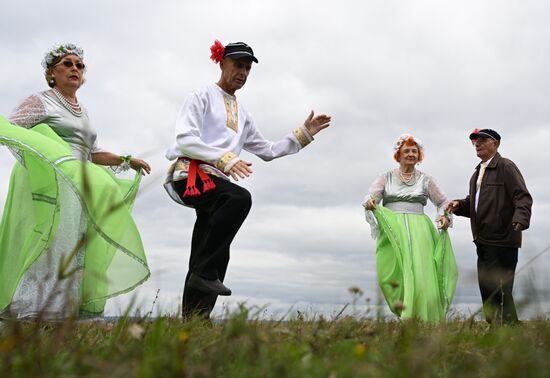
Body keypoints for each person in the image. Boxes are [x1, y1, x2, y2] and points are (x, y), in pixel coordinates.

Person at [164, 40, 331, 320]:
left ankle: (194, 320)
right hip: (190, 175)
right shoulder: (201, 96)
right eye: (237, 64)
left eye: (247, 67)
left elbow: (267, 150)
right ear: (222, 63)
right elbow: (185, 139)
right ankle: (203, 273)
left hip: (214, 180)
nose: (242, 71)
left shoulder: (244, 114)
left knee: (216, 250)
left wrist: (305, 133)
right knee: (238, 198)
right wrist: (225, 158)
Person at [0, 43, 151, 320]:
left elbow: (92, 153)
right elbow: (12, 131)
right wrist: (37, 166)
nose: (75, 69)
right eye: (67, 64)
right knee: (51, 241)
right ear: (51, 73)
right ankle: (28, 313)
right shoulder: (40, 101)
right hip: (53, 184)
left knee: (73, 246)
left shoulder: (84, 111)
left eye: (79, 65)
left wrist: (127, 160)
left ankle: (59, 316)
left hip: (79, 188)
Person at [363, 134, 458, 323]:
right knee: (389, 275)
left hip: (420, 231)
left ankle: (421, 319)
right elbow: (370, 198)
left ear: (419, 156)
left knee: (422, 274)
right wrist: (370, 203)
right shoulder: (385, 177)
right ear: (398, 155)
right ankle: (403, 309)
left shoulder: (426, 180)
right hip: (393, 230)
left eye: (415, 151)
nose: (411, 154)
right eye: (406, 151)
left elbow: (442, 202)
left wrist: (445, 217)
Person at [446, 129, 532, 325]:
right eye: (475, 140)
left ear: (496, 143)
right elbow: (475, 204)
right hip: (483, 239)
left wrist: (520, 219)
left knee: (500, 287)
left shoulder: (506, 166)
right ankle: (495, 327)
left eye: (483, 139)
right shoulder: (477, 172)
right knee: (486, 287)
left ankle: (509, 329)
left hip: (503, 237)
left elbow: (522, 197)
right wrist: (459, 205)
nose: (478, 143)